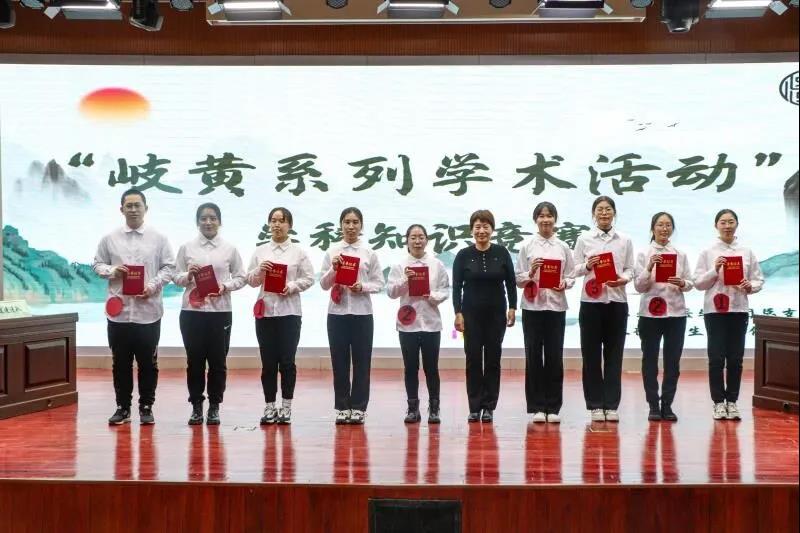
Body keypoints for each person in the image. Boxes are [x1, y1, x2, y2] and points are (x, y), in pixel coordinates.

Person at [92, 188, 175, 426]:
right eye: (128, 206)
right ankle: (123, 408)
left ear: (146, 208)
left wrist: (152, 286)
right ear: (121, 209)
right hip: (119, 313)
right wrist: (112, 271)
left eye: (137, 205)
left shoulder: (159, 238)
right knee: (120, 363)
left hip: (148, 312)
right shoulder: (109, 238)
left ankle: (146, 406)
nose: (133, 209)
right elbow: (97, 264)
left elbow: (169, 268)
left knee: (148, 363)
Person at [174, 203, 246, 426]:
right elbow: (175, 277)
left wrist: (225, 286)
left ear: (219, 221)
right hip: (192, 312)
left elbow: (241, 277)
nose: (208, 222)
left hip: (220, 312)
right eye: (203, 218)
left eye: (212, 218)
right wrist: (188, 275)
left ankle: (214, 406)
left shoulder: (230, 249)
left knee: (218, 362)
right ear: (197, 222)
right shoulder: (186, 248)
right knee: (194, 361)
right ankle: (196, 406)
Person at [694, 208, 764, 421]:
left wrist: (750, 285)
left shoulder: (746, 251)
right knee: (716, 358)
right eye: (723, 222)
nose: (727, 226)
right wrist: (714, 269)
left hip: (738, 309)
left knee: (735, 358)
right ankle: (718, 402)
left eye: (731, 221)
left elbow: (758, 279)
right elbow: (698, 283)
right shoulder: (708, 252)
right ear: (716, 226)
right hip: (714, 311)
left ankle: (732, 401)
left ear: (736, 225)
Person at [247, 207, 314, 425]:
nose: (277, 224)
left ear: (290, 225)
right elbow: (251, 281)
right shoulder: (260, 251)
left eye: (282, 221)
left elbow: (309, 278)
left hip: (289, 313)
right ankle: (269, 406)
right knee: (268, 363)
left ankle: (286, 407)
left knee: (287, 362)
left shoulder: (298, 252)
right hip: (265, 313)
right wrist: (260, 271)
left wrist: (292, 286)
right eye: (273, 220)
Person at [319, 207, 384, 425]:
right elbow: (323, 284)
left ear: (361, 225)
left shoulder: (369, 253)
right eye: (347, 222)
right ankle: (342, 407)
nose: (351, 226)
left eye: (355, 222)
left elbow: (379, 283)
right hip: (336, 314)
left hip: (362, 313)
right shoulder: (332, 252)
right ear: (341, 225)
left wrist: (362, 286)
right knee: (339, 361)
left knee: (362, 362)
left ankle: (359, 407)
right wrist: (334, 269)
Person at [573, 196, 635, 423]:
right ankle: (595, 405)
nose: (604, 213)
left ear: (614, 213)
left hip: (617, 302)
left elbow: (630, 269)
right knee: (590, 356)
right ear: (594, 214)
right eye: (600, 209)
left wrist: (624, 279)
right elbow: (573, 269)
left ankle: (611, 404)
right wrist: (587, 265)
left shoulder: (625, 240)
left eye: (608, 209)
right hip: (590, 304)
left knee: (614, 355)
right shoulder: (584, 239)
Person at [452, 209, 517, 423]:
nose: (481, 231)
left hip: (496, 315)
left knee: (492, 360)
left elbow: (510, 283)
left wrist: (512, 307)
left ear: (492, 229)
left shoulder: (502, 252)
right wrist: (458, 313)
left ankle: (489, 406)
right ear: (471, 230)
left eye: (485, 226)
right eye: (477, 227)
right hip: (471, 315)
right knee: (472, 359)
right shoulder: (463, 255)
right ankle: (474, 406)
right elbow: (456, 286)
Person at [515, 201, 575, 424]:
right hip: (532, 307)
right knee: (533, 356)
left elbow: (571, 275)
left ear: (555, 219)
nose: (545, 219)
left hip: (556, 306)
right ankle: (537, 407)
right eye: (541, 216)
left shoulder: (563, 247)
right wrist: (531, 272)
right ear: (535, 220)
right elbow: (518, 279)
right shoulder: (527, 246)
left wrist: (564, 283)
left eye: (549, 216)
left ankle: (553, 406)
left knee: (554, 356)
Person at [387, 224, 451, 424]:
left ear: (426, 240)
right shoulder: (399, 266)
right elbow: (391, 292)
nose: (417, 241)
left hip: (431, 323)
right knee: (410, 367)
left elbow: (445, 290)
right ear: (407, 241)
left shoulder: (437, 264)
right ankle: (412, 408)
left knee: (432, 368)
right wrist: (405, 280)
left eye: (421, 237)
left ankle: (434, 408)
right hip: (408, 325)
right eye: (413, 237)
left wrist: (431, 296)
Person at [634, 212, 693, 422]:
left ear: (672, 229)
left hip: (675, 314)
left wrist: (682, 283)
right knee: (649, 361)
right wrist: (649, 267)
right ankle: (653, 405)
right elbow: (639, 286)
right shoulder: (643, 253)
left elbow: (690, 282)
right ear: (653, 228)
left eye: (668, 225)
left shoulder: (680, 254)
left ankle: (667, 405)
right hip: (650, 314)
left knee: (672, 361)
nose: (664, 229)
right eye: (660, 225)